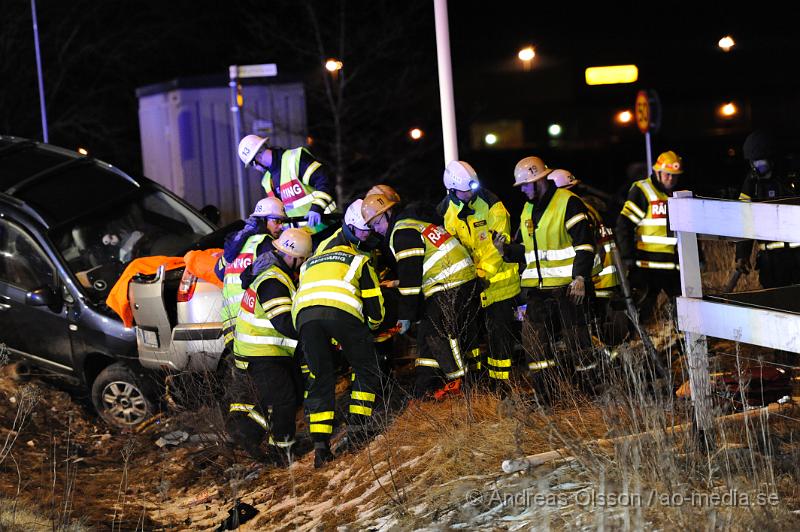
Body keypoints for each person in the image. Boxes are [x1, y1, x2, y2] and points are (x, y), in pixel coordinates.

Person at [362, 193, 481, 398]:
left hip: (450, 283)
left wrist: (405, 315)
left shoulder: (401, 233)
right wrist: (397, 282)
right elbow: (420, 267)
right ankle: (427, 385)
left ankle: (463, 383)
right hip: (459, 280)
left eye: (378, 222)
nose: (378, 230)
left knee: (439, 334)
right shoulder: (412, 224)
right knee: (429, 333)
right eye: (372, 226)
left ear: (389, 213)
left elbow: (411, 279)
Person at [494, 157, 601, 378]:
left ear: (539, 180)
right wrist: (505, 250)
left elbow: (585, 245)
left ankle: (590, 392)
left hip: (568, 288)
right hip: (538, 290)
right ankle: (546, 397)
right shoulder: (527, 209)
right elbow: (527, 249)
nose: (522, 190)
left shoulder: (568, 202)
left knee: (577, 342)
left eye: (525, 184)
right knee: (534, 344)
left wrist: (580, 278)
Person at [291, 228, 385, 468]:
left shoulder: (309, 263)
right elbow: (375, 307)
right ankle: (358, 430)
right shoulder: (359, 259)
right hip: (342, 314)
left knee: (320, 378)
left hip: (305, 320)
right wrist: (370, 329)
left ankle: (321, 448)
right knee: (366, 369)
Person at [226, 228, 312, 465]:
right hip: (262, 352)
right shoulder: (273, 280)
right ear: (292, 256)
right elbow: (283, 322)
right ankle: (281, 455)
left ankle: (249, 432)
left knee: (288, 396)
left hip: (267, 350)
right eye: (302, 260)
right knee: (283, 400)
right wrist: (311, 336)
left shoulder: (273, 272)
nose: (302, 265)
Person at [438, 160, 520, 387]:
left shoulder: (492, 205)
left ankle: (501, 385)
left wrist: (482, 274)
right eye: (467, 190)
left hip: (497, 284)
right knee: (469, 335)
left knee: (499, 337)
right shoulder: (444, 211)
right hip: (467, 283)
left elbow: (498, 245)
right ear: (453, 189)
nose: (472, 193)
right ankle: (474, 382)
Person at [615, 150, 683, 321]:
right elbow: (624, 225)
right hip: (646, 265)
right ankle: (636, 345)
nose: (671, 179)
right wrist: (628, 257)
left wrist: (698, 258)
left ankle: (683, 344)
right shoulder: (642, 191)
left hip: (672, 266)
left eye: (675, 175)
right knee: (641, 313)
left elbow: (688, 230)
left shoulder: (678, 195)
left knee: (683, 311)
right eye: (667, 175)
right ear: (657, 172)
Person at [237, 135, 337, 245]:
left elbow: (324, 181)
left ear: (257, 159)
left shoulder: (294, 159)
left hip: (326, 228)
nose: (255, 169)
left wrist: (317, 208)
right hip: (301, 240)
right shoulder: (266, 181)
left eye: (252, 165)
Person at [216, 197, 286, 349]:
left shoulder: (235, 245)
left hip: (230, 324)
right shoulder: (265, 244)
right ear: (262, 220)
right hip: (253, 324)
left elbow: (219, 272)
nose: (281, 226)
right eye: (277, 221)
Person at [734, 130, 800, 288]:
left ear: (772, 159)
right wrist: (742, 254)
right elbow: (745, 219)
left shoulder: (791, 178)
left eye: (761, 163)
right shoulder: (752, 184)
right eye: (754, 163)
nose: (758, 168)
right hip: (770, 262)